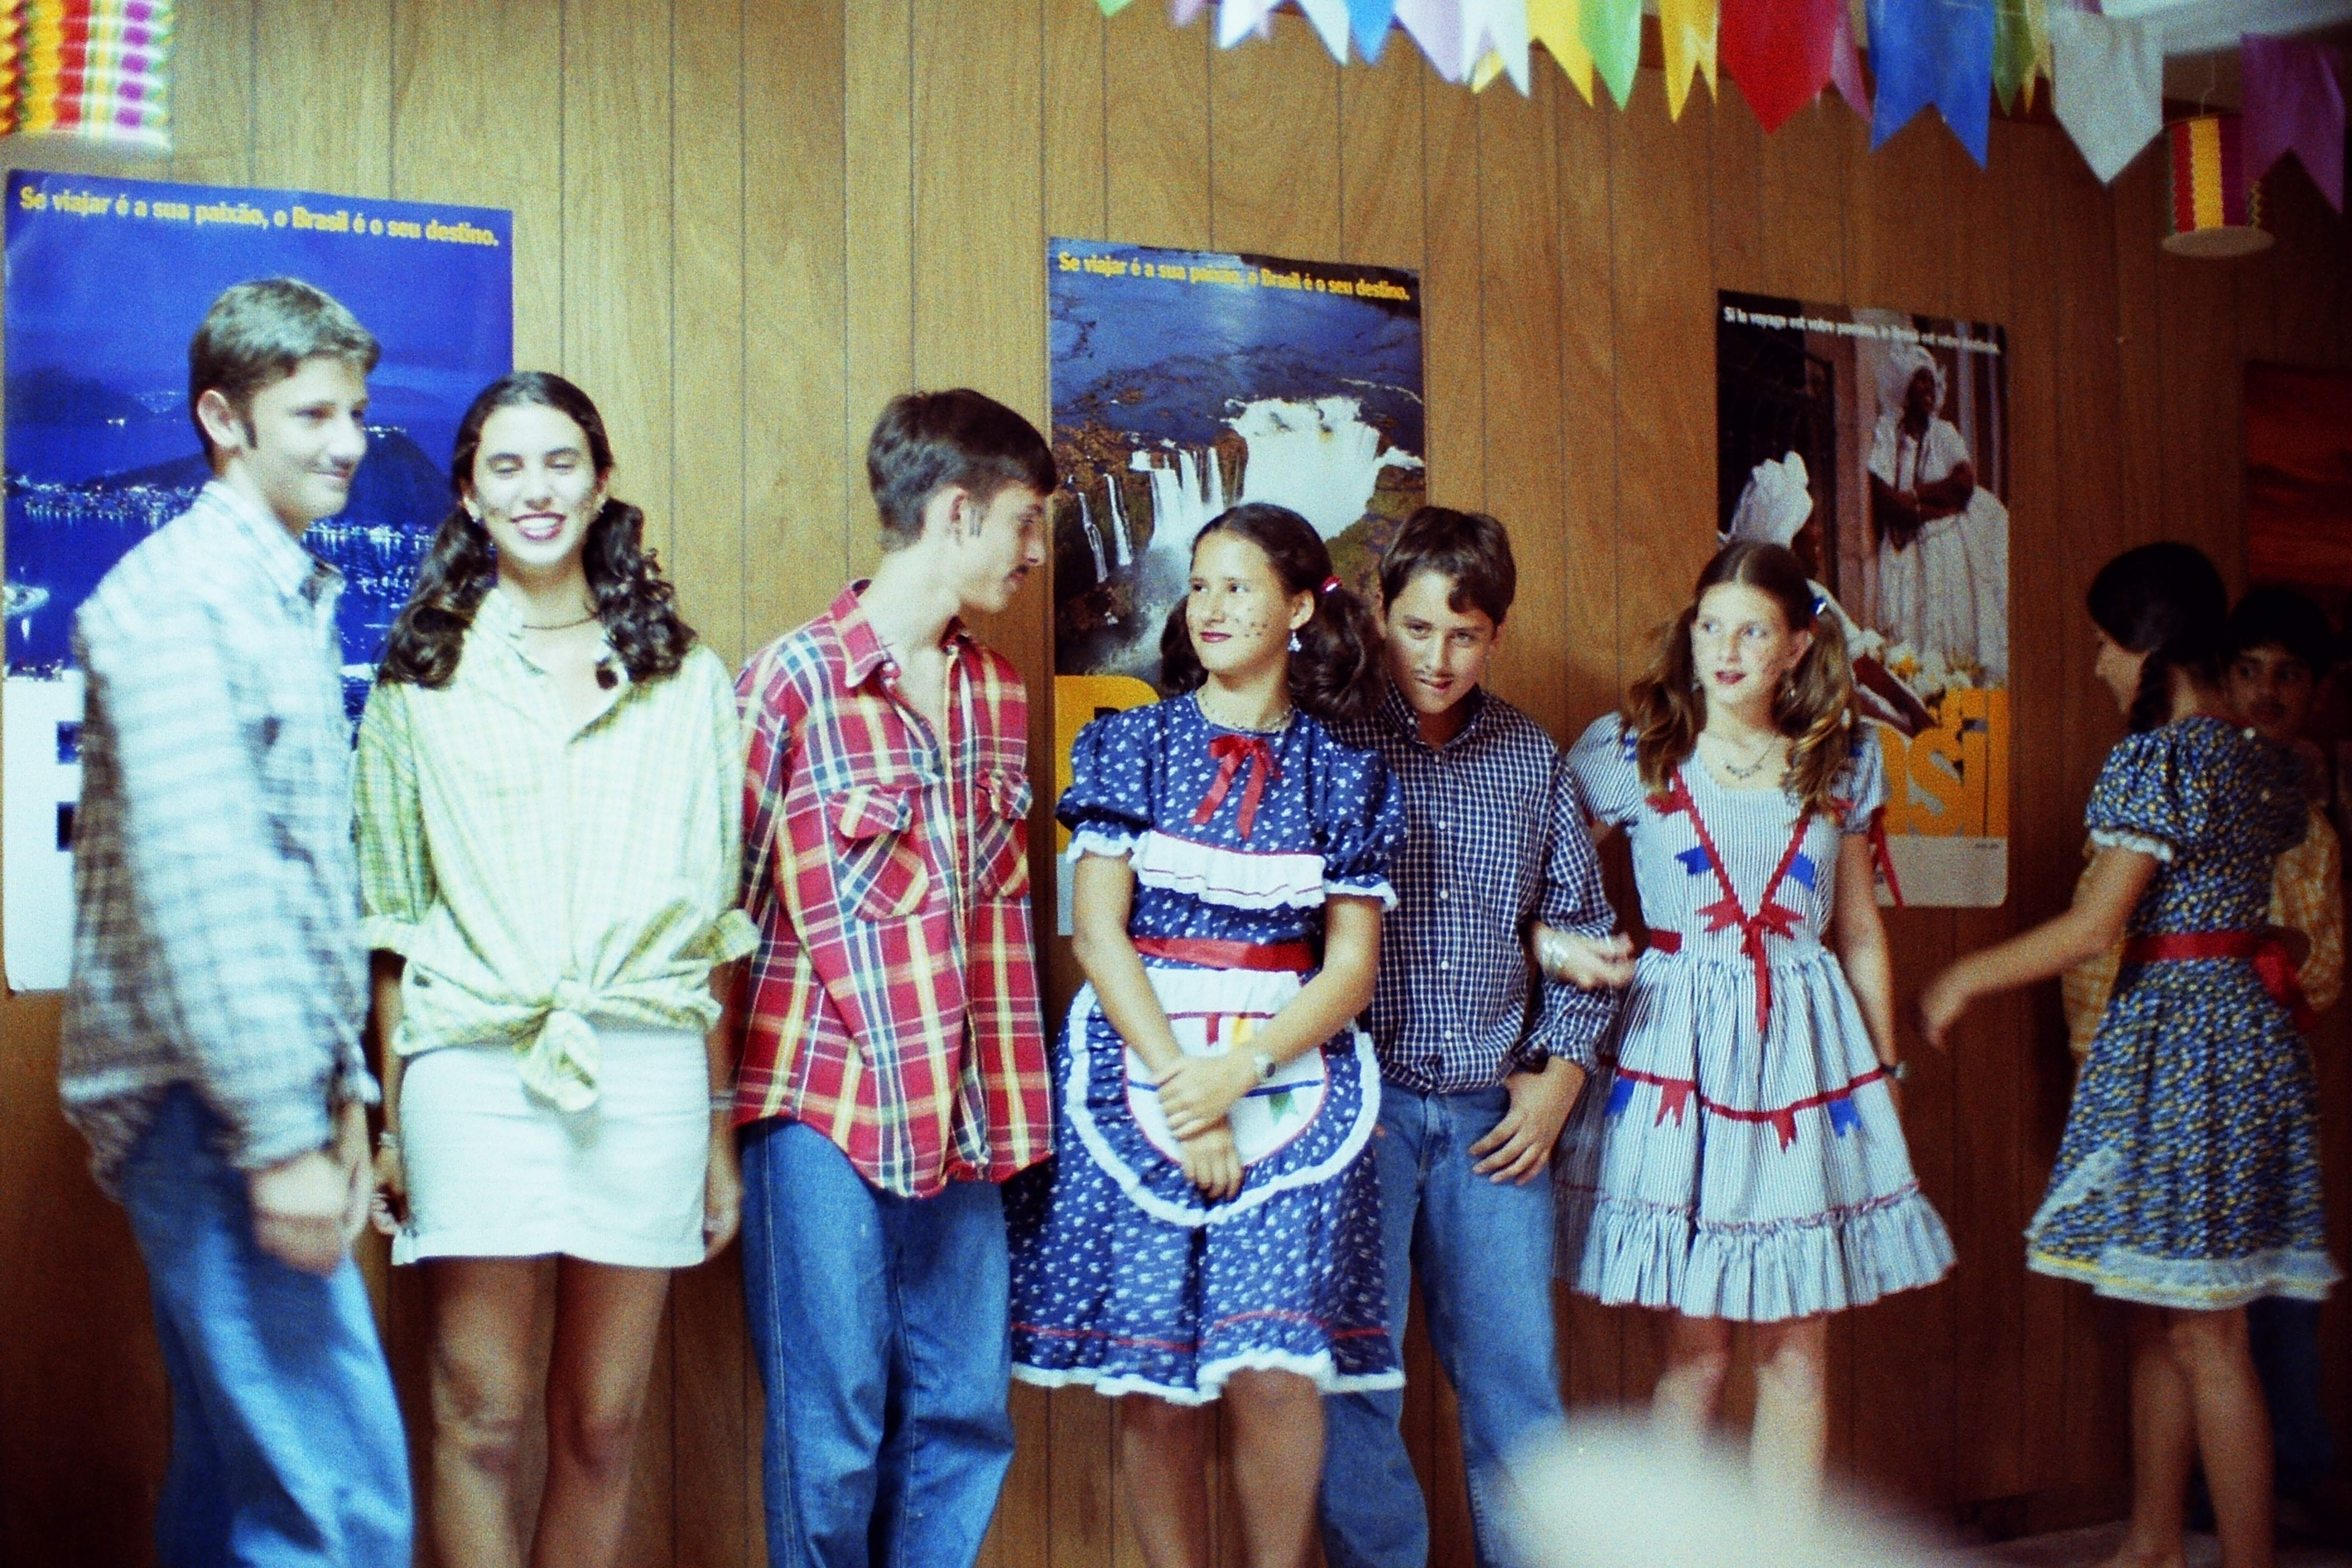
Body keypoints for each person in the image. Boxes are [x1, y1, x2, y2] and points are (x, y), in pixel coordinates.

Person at [357, 371, 755, 1568]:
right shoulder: (420, 676)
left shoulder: (686, 675)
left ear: (600, 480)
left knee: (604, 1422)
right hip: (474, 1064)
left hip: (647, 1068)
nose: (536, 489)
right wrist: (389, 1125)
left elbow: (715, 929)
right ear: (470, 495)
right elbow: (393, 925)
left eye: (560, 461)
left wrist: (719, 1135)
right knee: (479, 1416)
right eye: (507, 466)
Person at [59, 278, 410, 1564]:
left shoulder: (270, 591)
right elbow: (207, 894)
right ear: (222, 418)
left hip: (247, 1096)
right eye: (312, 412)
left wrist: (342, 1095)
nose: (349, 440)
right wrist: (277, 1135)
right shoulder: (184, 599)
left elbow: (298, 884)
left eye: (357, 410)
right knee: (336, 1508)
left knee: (235, 1488)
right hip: (211, 1105)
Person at [1920, 544, 2340, 1568]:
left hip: (2188, 1043)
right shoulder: (2260, 761)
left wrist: (1963, 977)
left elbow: (2094, 926)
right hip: (2235, 1038)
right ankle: (2152, 1540)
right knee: (2165, 1312)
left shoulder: (2159, 761)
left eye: (2106, 643)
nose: (2098, 663)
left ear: (2150, 647)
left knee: (2207, 1332)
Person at [1010, 502, 1406, 1568]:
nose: (1211, 607)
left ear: (1299, 607)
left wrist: (1240, 1070)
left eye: (1238, 586)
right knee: (1157, 1383)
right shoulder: (1129, 742)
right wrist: (1183, 1089)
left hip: (1285, 1073)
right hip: (1141, 1068)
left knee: (1274, 1371)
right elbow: (1099, 934)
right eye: (1198, 585)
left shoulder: (1344, 774)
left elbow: (1350, 968)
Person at [1537, 540, 1953, 1503]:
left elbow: (1859, 933)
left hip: (1805, 1062)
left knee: (1796, 1353)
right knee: (1696, 1354)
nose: (1725, 651)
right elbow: (1546, 883)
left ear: (1797, 645)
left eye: (1753, 632)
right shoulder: (1630, 748)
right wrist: (1551, 947)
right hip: (1676, 1057)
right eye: (1710, 627)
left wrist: (1884, 1073)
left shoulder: (1844, 757)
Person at [733, 388, 1055, 1568]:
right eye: (1024, 522)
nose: (1034, 551)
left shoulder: (998, 694)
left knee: (964, 1418)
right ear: (956, 512)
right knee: (831, 1433)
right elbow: (721, 913)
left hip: (968, 1112)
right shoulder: (788, 682)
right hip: (822, 1106)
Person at [1317, 506, 1630, 1568]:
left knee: (1516, 1387)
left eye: (1464, 635)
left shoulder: (1532, 759)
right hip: (1355, 1115)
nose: (1438, 658)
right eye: (1416, 628)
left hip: (1495, 1121)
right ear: (1380, 613)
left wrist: (1560, 1078)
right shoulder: (1334, 742)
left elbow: (1585, 931)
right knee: (1352, 1384)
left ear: (1497, 632)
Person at [1867, 342, 2009, 683]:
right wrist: (1940, 507)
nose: (1929, 388)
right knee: (1912, 634)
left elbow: (1964, 484)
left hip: (1947, 549)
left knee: (1954, 627)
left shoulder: (1945, 434)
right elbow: (1886, 501)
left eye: (1932, 381)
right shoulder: (1889, 435)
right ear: (1905, 387)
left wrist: (1914, 497)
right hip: (1907, 550)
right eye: (1921, 380)